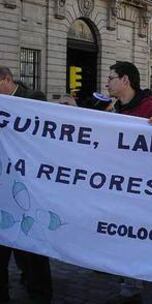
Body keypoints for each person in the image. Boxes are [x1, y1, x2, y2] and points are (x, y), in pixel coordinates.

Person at [105, 61, 152, 304]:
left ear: (125, 80)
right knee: (125, 239)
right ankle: (129, 288)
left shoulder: (150, 108)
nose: (107, 82)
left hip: (146, 193)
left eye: (111, 77)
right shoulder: (115, 108)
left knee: (150, 242)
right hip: (124, 190)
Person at [0, 66, 53, 304]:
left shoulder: (32, 99)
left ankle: (40, 294)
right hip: (4, 187)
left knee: (32, 249)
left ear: (7, 80)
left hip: (28, 188)